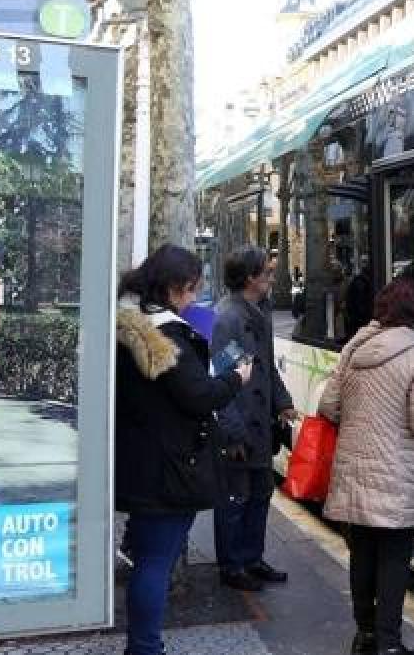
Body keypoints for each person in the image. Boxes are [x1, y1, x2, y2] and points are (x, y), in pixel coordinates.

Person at [115, 244, 252, 655]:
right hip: (170, 466)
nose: (193, 299)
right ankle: (145, 648)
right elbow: (197, 394)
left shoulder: (130, 321)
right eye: (189, 289)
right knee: (156, 563)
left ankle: (142, 646)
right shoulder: (165, 333)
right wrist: (236, 379)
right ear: (173, 287)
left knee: (150, 560)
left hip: (145, 459)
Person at [318, 277, 414, 655]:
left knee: (363, 555)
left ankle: (365, 636)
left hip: (354, 470)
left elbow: (328, 407)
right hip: (397, 475)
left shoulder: (354, 348)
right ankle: (389, 645)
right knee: (394, 561)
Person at [212, 245, 297, 592]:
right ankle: (232, 566)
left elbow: (264, 365)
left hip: (260, 424)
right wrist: (233, 434)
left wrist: (283, 403)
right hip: (241, 426)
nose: (272, 277)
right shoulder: (227, 318)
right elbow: (223, 378)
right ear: (250, 277)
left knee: (260, 492)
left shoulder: (258, 309)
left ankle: (252, 557)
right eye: (267, 272)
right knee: (236, 497)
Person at [345, 256, 374, 337]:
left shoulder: (360, 280)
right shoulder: (360, 281)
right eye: (364, 262)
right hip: (360, 322)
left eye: (366, 262)